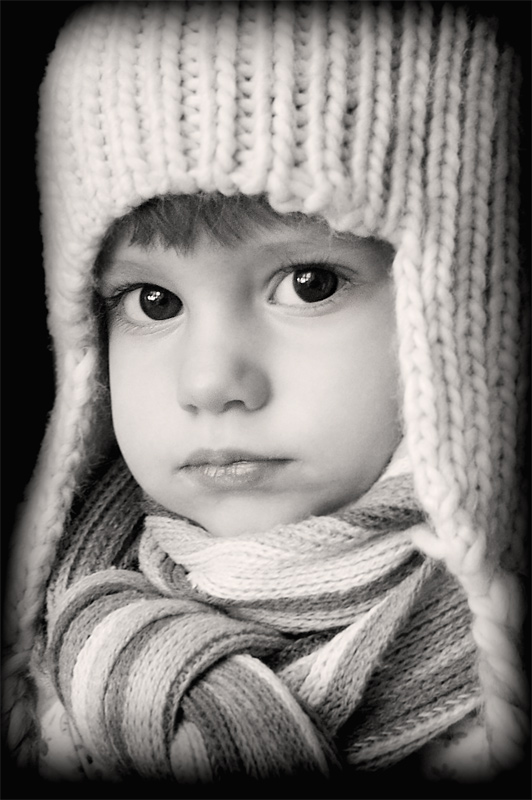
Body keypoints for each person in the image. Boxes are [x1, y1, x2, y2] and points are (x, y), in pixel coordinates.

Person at [2, 0, 529, 794]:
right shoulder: (52, 672)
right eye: (152, 302)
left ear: (461, 306)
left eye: (309, 285)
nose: (210, 382)